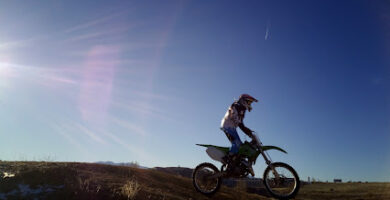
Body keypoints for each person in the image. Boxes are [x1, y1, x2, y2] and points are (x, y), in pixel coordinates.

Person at [220, 94, 258, 164]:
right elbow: (240, 124)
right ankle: (227, 159)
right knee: (236, 144)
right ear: (244, 101)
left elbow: (240, 123)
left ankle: (235, 162)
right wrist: (249, 133)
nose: (250, 104)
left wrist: (249, 132)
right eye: (249, 102)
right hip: (227, 126)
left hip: (231, 127)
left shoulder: (241, 108)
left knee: (240, 146)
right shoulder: (237, 106)